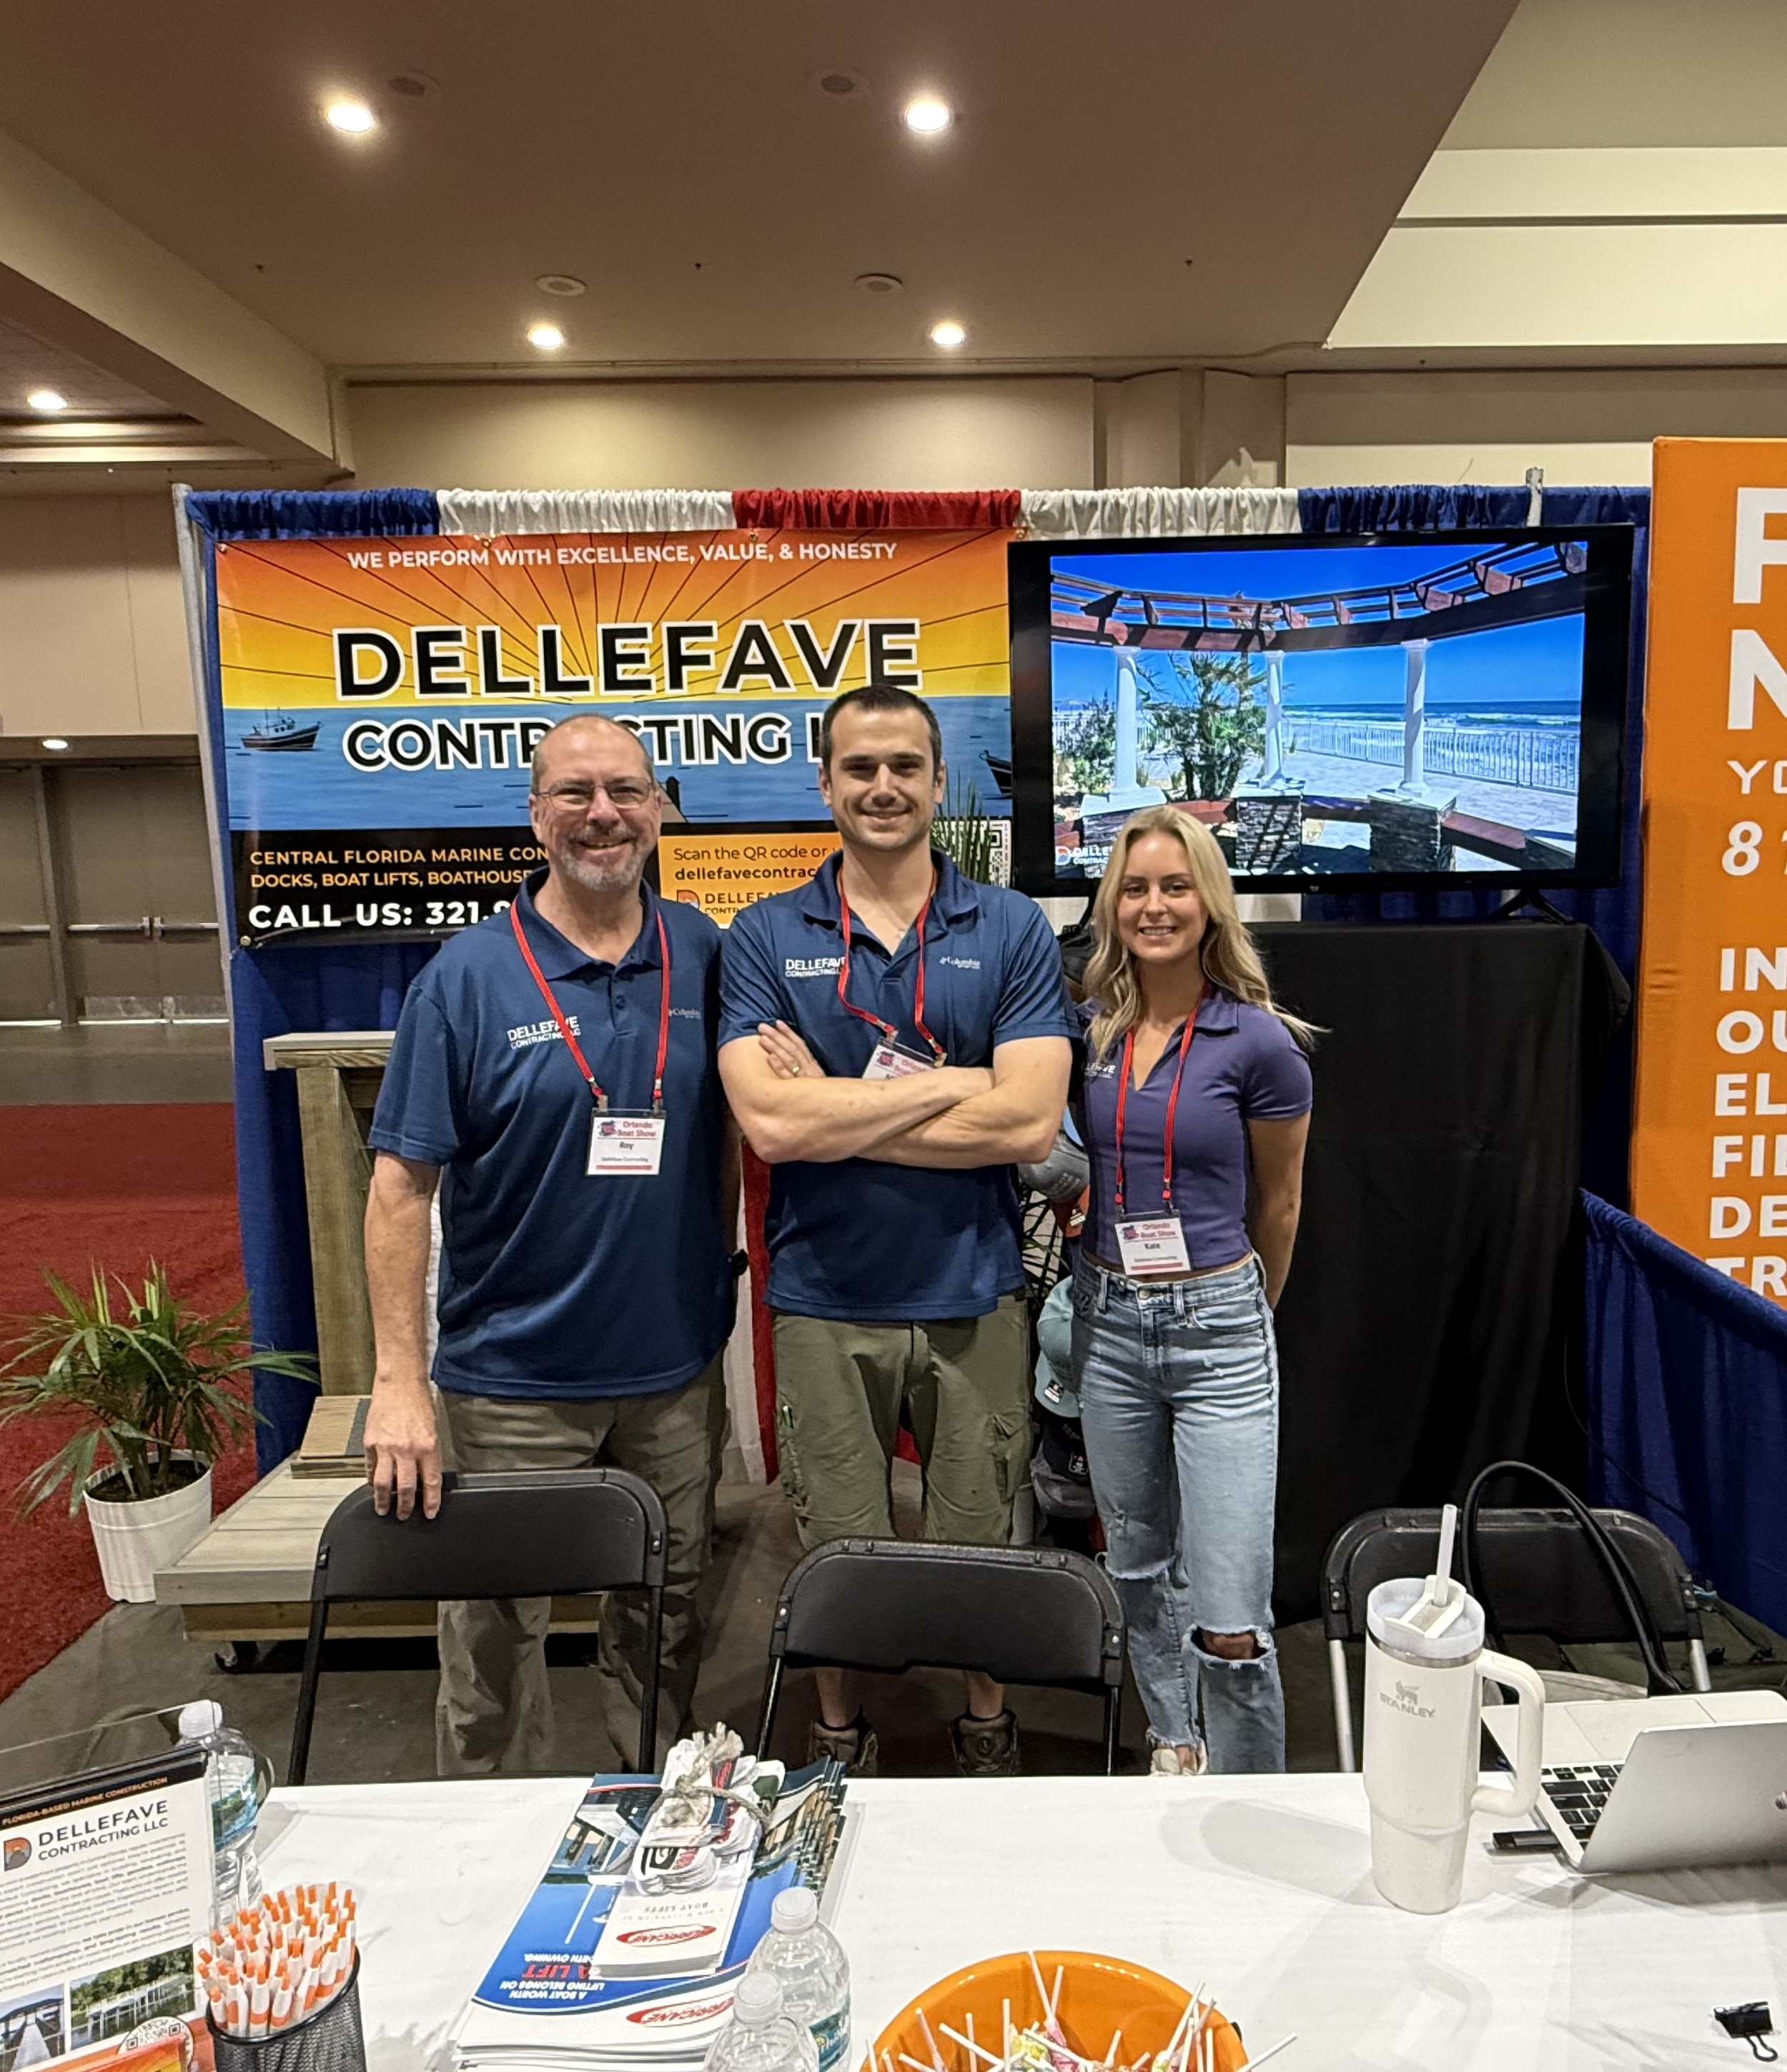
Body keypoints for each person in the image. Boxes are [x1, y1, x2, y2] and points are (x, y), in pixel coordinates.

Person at [362, 714, 738, 1776]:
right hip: (511, 1385)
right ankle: (489, 1847)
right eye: (574, 793)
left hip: (672, 1378)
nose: (602, 813)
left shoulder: (708, 955)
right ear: (536, 816)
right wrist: (398, 1381)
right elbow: (399, 1188)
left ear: (660, 807)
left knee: (663, 1624)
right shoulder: (467, 979)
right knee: (492, 1643)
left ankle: (651, 1827)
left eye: (624, 789)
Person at [718, 682, 1072, 1777]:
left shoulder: (1007, 925)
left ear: (936, 780)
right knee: (837, 1544)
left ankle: (983, 1718)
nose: (883, 787)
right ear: (824, 783)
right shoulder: (766, 934)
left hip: (975, 1294)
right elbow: (771, 1126)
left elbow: (1028, 1120)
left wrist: (835, 1105)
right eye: (860, 767)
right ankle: (837, 1729)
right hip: (825, 1300)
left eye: (905, 766)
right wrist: (950, 1086)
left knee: (979, 1539)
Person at [1071, 804, 1312, 1775]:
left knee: (1229, 1608)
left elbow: (1282, 1207)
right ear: (1112, 902)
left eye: (1175, 886)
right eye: (1135, 887)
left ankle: (1255, 1792)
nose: (1154, 904)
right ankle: (1175, 1746)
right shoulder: (1087, 1030)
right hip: (1110, 1325)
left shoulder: (1261, 1044)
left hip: (1220, 1333)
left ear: (1209, 902)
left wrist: (1243, 1313)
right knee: (1134, 1564)